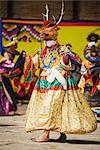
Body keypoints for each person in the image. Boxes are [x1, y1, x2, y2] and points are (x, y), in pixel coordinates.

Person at [25, 3, 97, 142]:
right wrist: (25, 59)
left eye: (49, 36)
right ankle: (60, 132)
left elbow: (77, 60)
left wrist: (67, 59)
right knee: (56, 107)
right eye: (45, 37)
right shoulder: (41, 52)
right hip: (44, 83)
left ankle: (45, 134)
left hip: (59, 81)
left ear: (55, 35)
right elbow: (34, 64)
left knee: (52, 106)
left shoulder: (63, 49)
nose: (46, 40)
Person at [0, 38, 21, 115]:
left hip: (7, 79)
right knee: (6, 94)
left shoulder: (9, 62)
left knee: (10, 93)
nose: (9, 54)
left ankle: (11, 108)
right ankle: (7, 109)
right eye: (8, 53)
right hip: (3, 79)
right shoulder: (4, 61)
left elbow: (13, 68)